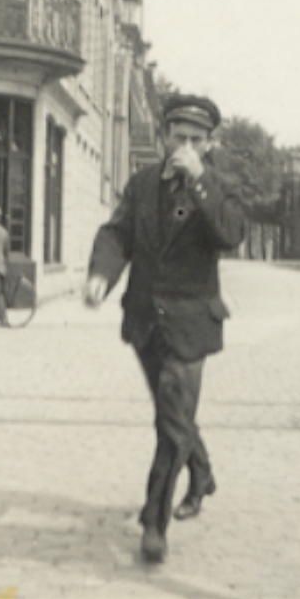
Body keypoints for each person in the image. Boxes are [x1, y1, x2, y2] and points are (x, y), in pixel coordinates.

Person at [83, 94, 244, 563]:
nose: (186, 147)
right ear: (164, 137)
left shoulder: (221, 187)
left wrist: (200, 182)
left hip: (191, 325)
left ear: (209, 144)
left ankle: (154, 524)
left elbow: (230, 233)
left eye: (197, 140)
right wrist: (101, 275)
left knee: (170, 424)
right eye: (179, 137)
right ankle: (202, 473)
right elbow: (117, 234)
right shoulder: (142, 184)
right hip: (145, 323)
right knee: (173, 413)